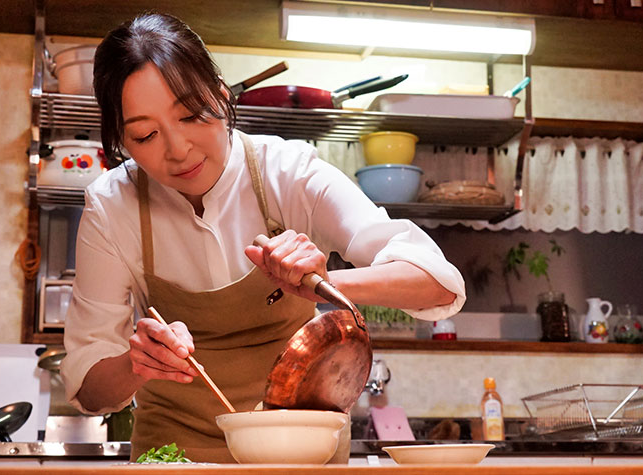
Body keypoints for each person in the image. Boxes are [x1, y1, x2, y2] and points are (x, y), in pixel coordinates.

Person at [61, 12, 466, 463]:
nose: (178, 150)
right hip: (176, 458)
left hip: (300, 453)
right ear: (121, 139)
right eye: (145, 134)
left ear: (220, 95)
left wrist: (324, 285)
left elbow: (439, 284)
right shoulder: (112, 206)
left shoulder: (289, 172)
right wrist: (136, 364)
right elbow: (89, 388)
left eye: (192, 114)